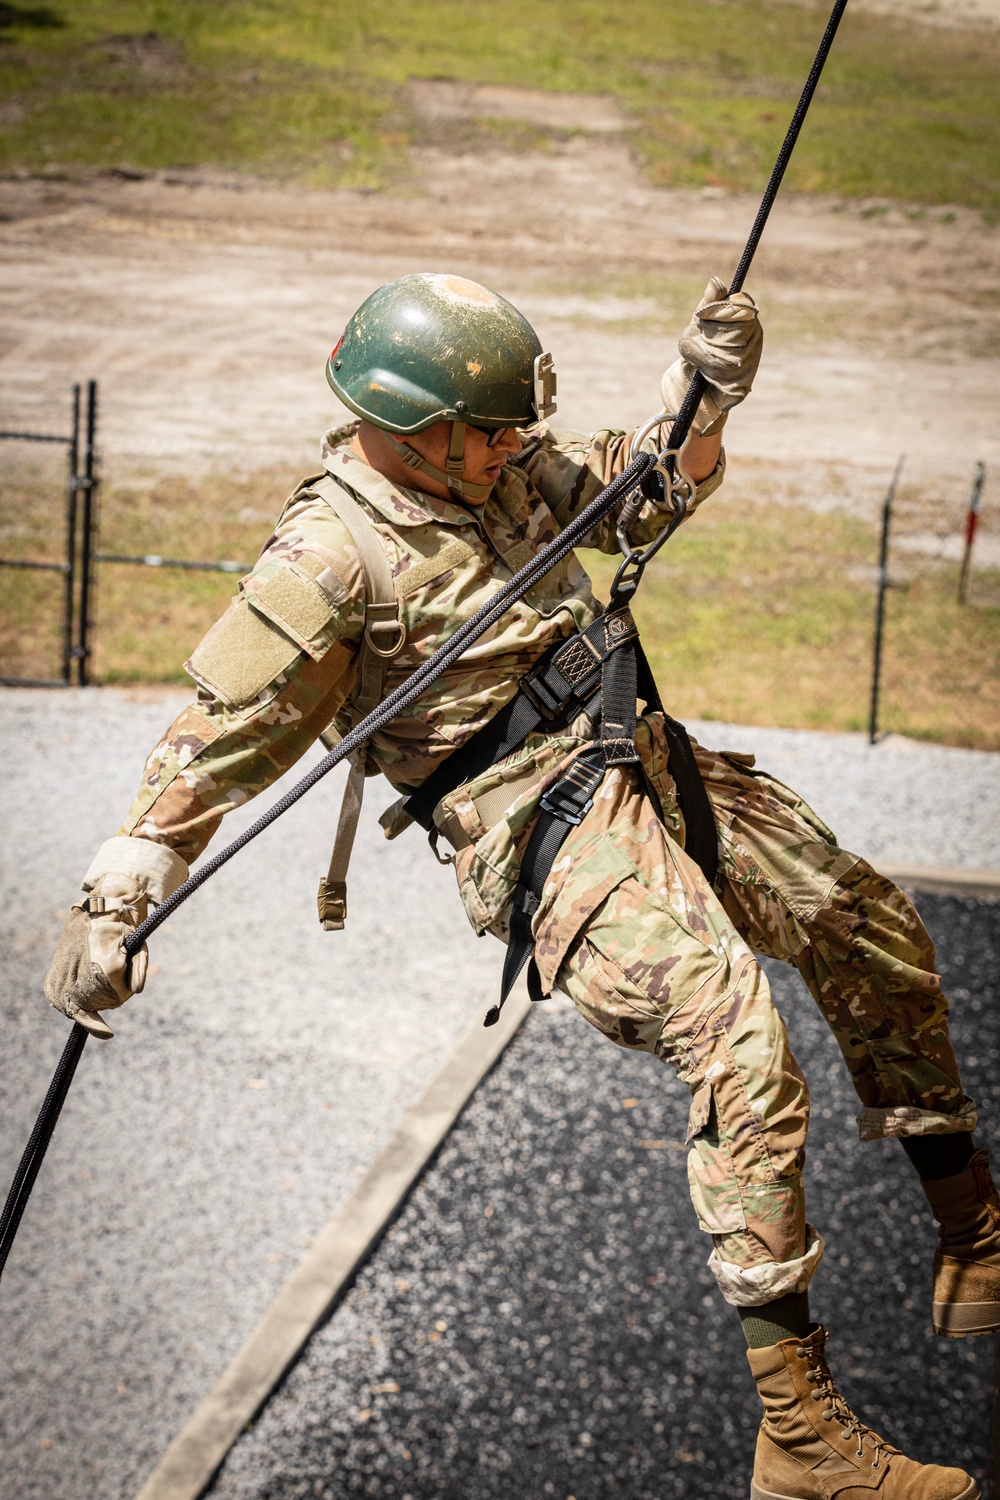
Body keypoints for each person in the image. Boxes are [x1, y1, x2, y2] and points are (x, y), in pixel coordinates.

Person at [44, 272, 995, 1500]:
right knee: (740, 1047)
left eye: (512, 429)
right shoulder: (332, 554)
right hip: (542, 825)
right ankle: (799, 1436)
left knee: (866, 926)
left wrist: (702, 401)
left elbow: (637, 489)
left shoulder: (494, 470)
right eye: (492, 429)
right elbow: (225, 727)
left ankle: (972, 1234)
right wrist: (119, 889)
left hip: (636, 753)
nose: (514, 448)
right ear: (416, 423)